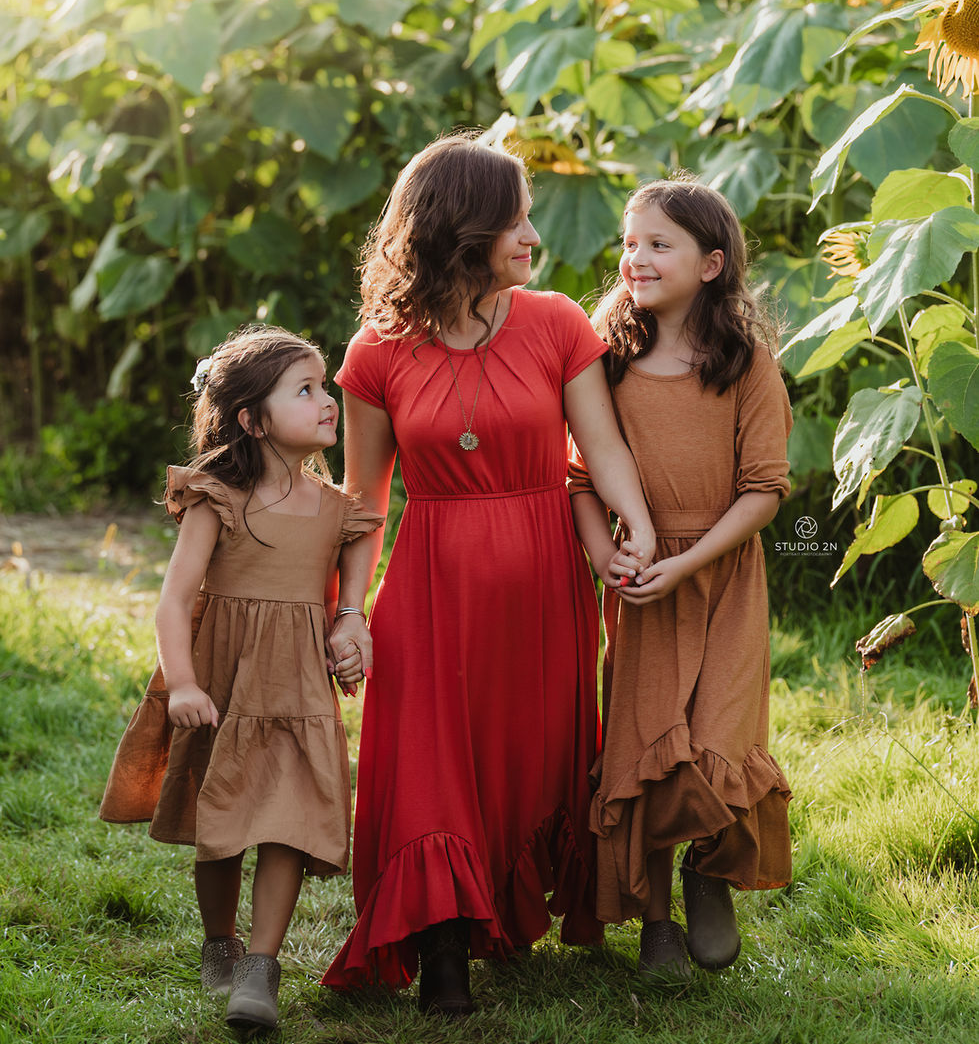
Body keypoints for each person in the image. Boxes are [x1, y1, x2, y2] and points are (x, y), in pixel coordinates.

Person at [320, 133, 656, 1015]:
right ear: (463, 229)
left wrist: (641, 527)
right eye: (516, 220)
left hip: (546, 586)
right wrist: (347, 611)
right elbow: (363, 500)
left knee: (527, 752)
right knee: (432, 760)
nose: (533, 237)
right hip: (430, 586)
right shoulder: (377, 351)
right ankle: (441, 951)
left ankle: (499, 908)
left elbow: (604, 448)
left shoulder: (555, 323)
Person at [99, 324, 382, 1031]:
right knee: (221, 822)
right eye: (306, 390)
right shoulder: (217, 496)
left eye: (325, 387)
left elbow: (352, 590)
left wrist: (352, 626)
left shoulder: (337, 508)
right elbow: (173, 597)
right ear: (253, 420)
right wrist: (185, 683)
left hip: (293, 688)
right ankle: (219, 937)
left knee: (287, 819)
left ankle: (261, 964)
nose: (328, 402)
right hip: (222, 684)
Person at [568, 175, 792, 983]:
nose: (635, 257)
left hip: (720, 575)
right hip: (637, 579)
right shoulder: (606, 357)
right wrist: (610, 556)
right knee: (646, 740)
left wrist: (685, 562)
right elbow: (580, 474)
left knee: (716, 735)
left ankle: (707, 872)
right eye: (629, 242)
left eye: (658, 243)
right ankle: (653, 920)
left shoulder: (746, 364)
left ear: (710, 263)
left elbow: (764, 490)